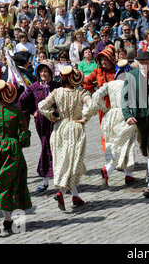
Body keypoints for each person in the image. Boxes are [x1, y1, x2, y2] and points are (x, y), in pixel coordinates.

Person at [38, 67, 96, 210]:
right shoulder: (81, 93)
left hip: (60, 128)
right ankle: (61, 192)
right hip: (75, 128)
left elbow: (41, 106)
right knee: (72, 162)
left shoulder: (56, 92)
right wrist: (85, 118)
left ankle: (75, 195)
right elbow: (93, 104)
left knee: (65, 161)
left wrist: (53, 117)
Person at [0, 80, 32, 233]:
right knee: (9, 181)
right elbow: (24, 136)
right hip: (11, 148)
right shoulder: (17, 112)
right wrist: (22, 141)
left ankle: (8, 220)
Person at [121, 51, 149, 198]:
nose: (144, 65)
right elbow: (124, 97)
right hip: (139, 118)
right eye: (141, 62)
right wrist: (128, 116)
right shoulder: (132, 76)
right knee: (143, 148)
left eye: (146, 62)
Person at [92, 59, 137, 187]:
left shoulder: (109, 84)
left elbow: (95, 96)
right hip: (126, 115)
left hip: (111, 115)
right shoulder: (131, 84)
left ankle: (129, 174)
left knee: (116, 142)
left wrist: (105, 109)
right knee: (126, 143)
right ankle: (108, 169)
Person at [18, 60, 60, 193]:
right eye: (41, 71)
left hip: (56, 121)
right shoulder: (34, 87)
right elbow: (22, 101)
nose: (44, 73)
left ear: (51, 73)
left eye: (46, 71)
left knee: (57, 146)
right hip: (42, 122)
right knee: (46, 146)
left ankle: (60, 178)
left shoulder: (57, 86)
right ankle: (45, 180)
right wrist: (33, 111)